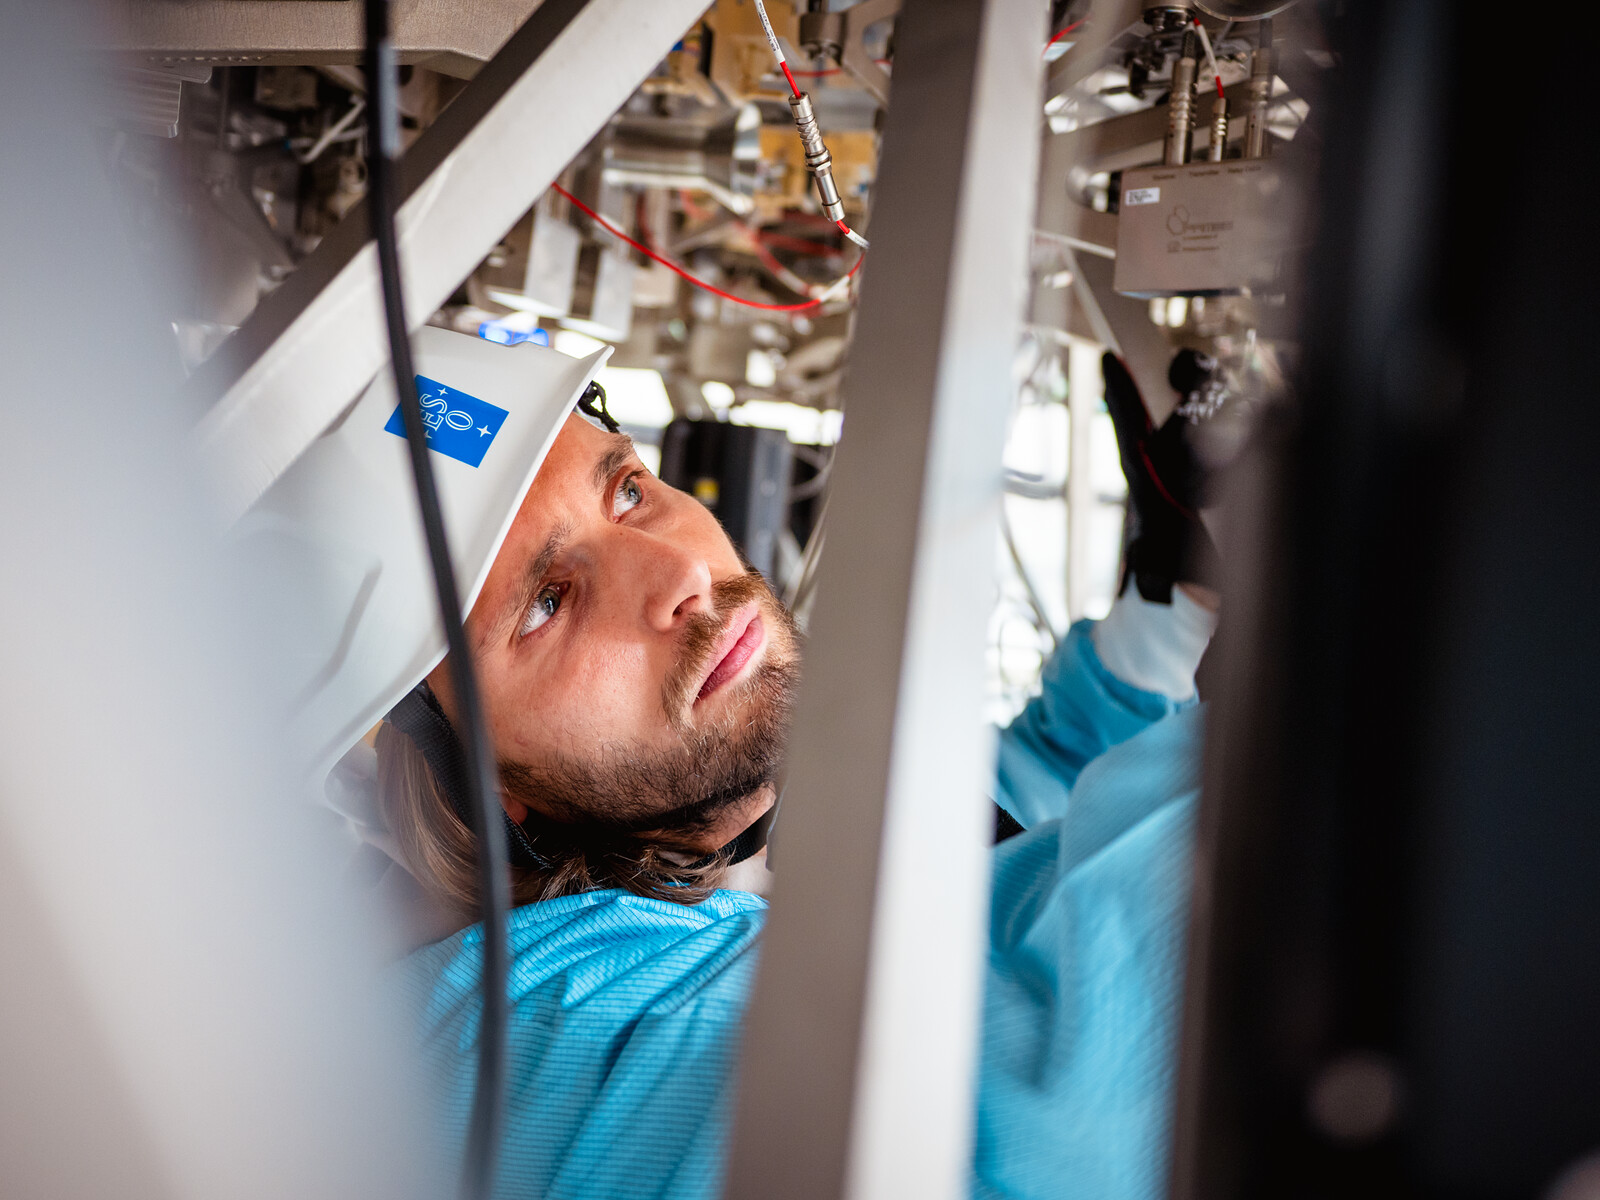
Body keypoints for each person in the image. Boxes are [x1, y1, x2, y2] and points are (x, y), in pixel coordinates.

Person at [283, 330, 1216, 1198]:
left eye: (628, 493)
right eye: (547, 604)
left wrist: (1168, 609)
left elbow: (996, 847)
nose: (679, 575)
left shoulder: (657, 852)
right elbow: (1077, 1082)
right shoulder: (560, 1036)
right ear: (468, 781)